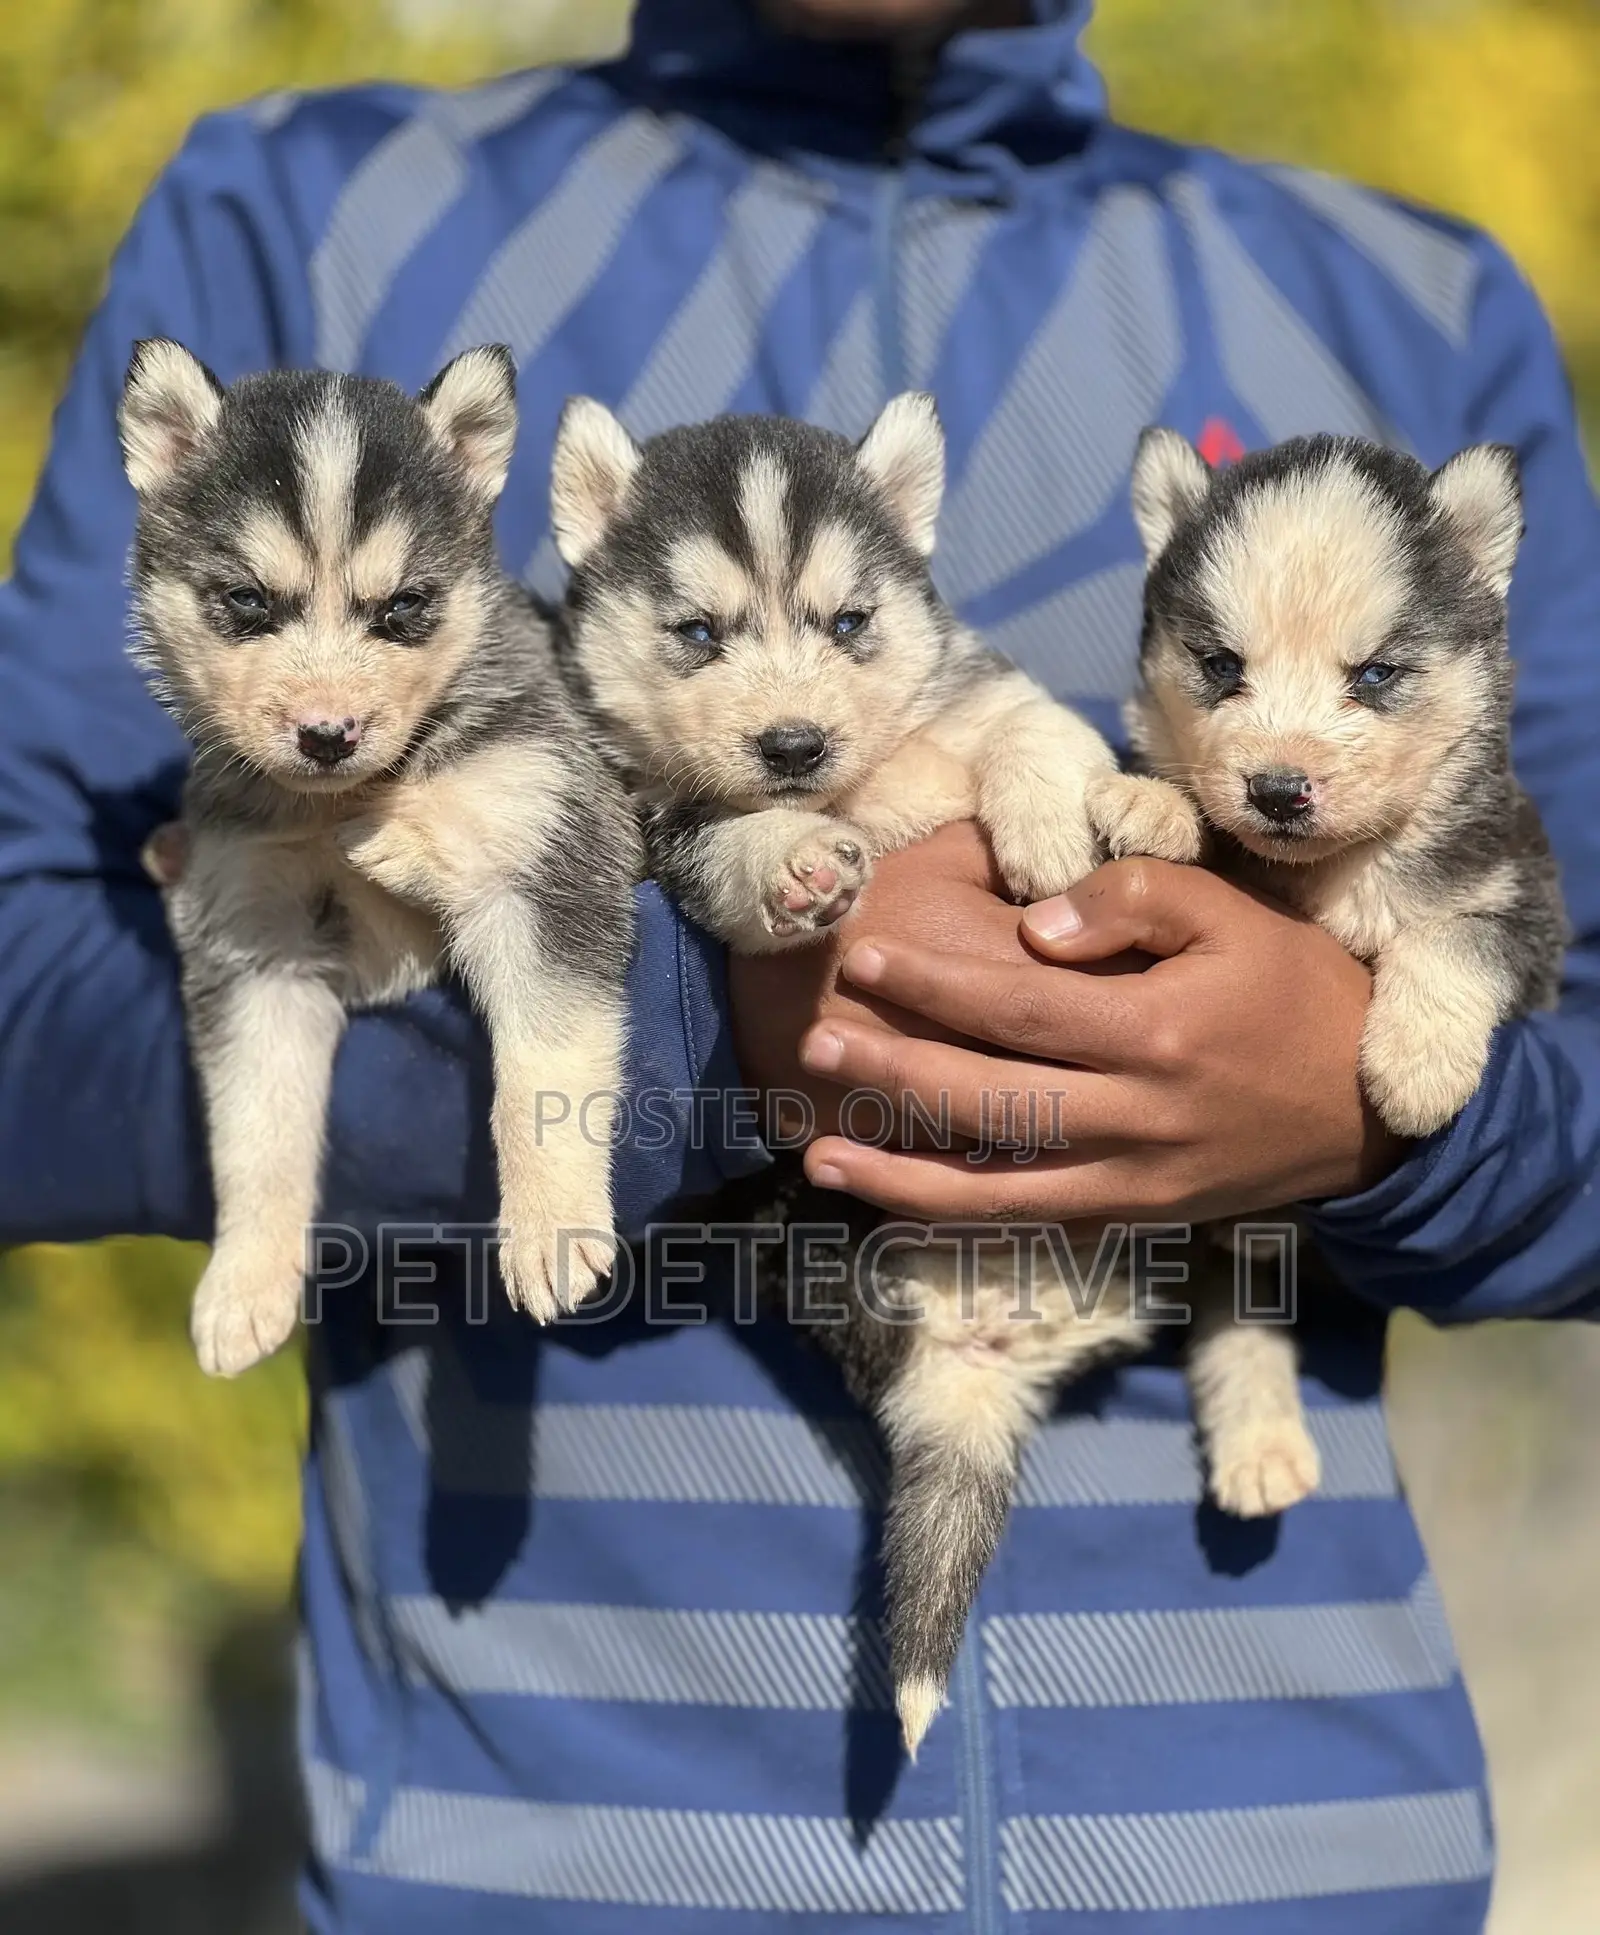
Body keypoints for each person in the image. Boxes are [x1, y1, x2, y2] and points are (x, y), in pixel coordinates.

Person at [0, 0, 1596, 1927]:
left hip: (1293, 1850)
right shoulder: (311, 214)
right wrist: (716, 1018)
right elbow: (28, 1003)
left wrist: (1361, 1103)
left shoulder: (1404, 291)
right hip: (558, 1861)